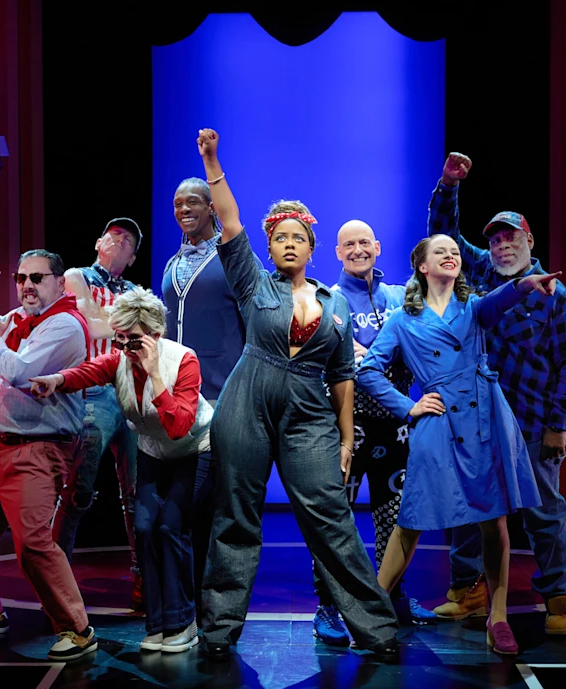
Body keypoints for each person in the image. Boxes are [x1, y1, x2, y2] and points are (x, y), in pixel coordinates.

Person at [195, 128, 399, 660]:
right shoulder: (252, 283)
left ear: (311, 247)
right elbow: (230, 222)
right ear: (269, 247)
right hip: (247, 400)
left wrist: (347, 438)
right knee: (236, 516)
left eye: (298, 237)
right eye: (280, 237)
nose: (289, 243)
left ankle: (377, 629)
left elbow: (343, 376)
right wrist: (213, 162)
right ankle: (217, 632)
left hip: (310, 411)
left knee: (331, 518)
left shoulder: (336, 304)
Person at [358, 234, 560, 655]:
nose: (451, 256)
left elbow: (500, 300)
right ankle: (371, 611)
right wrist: (408, 406)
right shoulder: (403, 320)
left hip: (483, 417)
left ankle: (498, 618)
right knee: (411, 520)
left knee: (494, 520)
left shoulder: (473, 307)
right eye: (441, 252)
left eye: (454, 251)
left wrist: (525, 283)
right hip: (436, 421)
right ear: (422, 266)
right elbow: (369, 370)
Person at [427, 153, 566, 635]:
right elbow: (442, 236)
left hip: (531, 421)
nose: (501, 246)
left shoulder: (559, 299)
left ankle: (559, 598)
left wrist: (559, 426)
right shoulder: (477, 275)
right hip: (475, 420)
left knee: (543, 513)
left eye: (510, 238)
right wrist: (449, 185)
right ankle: (468, 591)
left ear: (529, 241)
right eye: (495, 240)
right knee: (467, 506)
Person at [0, 243, 97, 662]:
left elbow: (19, 373)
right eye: (21, 278)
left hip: (39, 448)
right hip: (2, 447)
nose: (26, 285)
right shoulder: (17, 320)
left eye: (37, 278)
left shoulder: (64, 326)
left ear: (59, 283)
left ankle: (78, 630)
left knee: (33, 546)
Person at [31, 287, 212, 654]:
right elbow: (88, 371)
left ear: (155, 334)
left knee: (171, 527)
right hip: (153, 451)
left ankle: (184, 621)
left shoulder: (183, 360)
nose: (125, 348)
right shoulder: (119, 362)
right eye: (120, 339)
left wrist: (155, 375)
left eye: (134, 340)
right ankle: (158, 623)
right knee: (144, 528)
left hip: (193, 451)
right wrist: (57, 380)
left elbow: (179, 426)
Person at [305, 219, 436, 647]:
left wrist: (376, 353)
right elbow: (325, 357)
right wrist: (360, 353)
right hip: (346, 424)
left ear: (377, 247)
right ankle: (328, 606)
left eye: (364, 242)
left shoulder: (400, 296)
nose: (358, 250)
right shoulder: (329, 299)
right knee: (334, 519)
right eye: (349, 245)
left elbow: (417, 343)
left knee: (395, 517)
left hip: (396, 427)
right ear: (337, 253)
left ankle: (393, 597)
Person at [161, 178, 261, 618]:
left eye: (193, 202)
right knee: (184, 508)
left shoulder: (231, 257)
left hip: (222, 395)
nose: (184, 209)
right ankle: (187, 605)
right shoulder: (172, 263)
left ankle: (215, 606)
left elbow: (256, 321)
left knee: (217, 506)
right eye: (177, 203)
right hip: (179, 401)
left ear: (211, 208)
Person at [54, 218, 143, 609]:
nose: (119, 239)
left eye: (128, 239)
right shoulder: (77, 276)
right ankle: (55, 579)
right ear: (97, 241)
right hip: (93, 390)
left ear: (133, 257)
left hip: (131, 391)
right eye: (113, 233)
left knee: (138, 493)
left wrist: (113, 325)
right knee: (78, 489)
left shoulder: (135, 291)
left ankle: (143, 578)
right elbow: (90, 328)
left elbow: (143, 335)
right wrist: (124, 327)